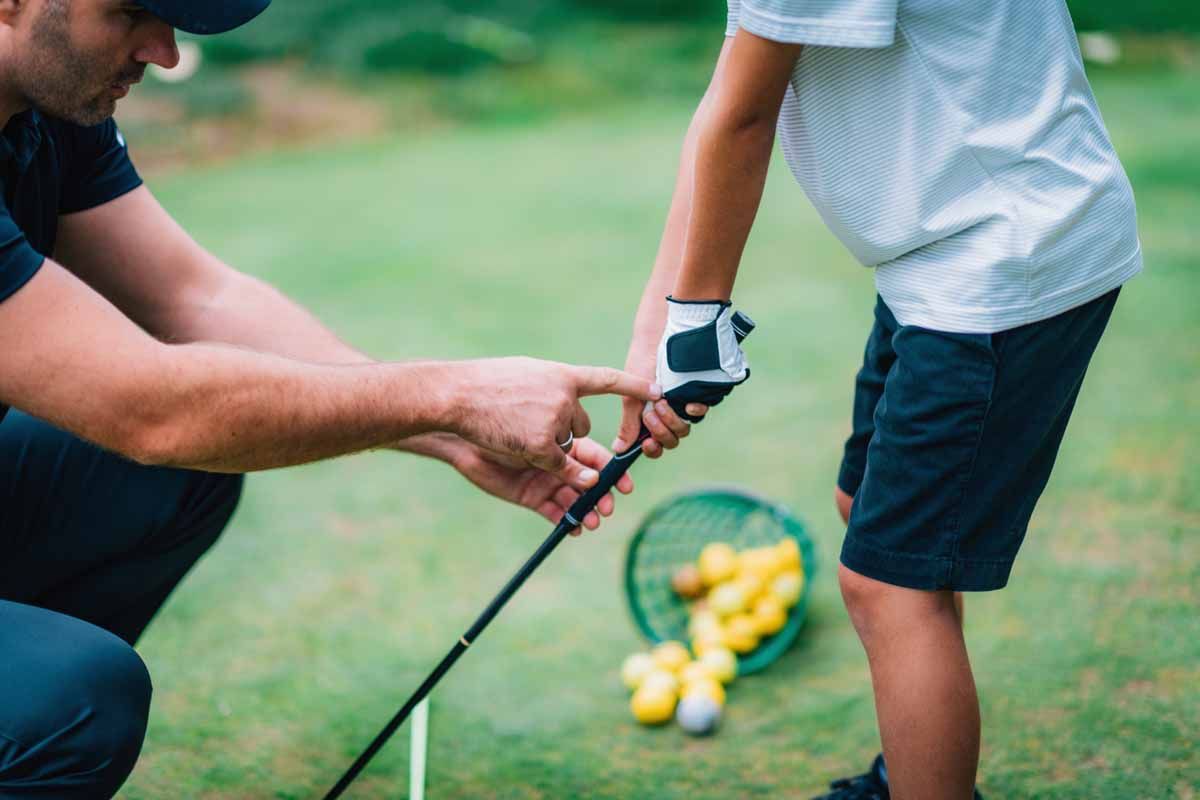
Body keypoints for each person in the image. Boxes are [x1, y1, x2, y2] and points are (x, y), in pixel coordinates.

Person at [0, 1, 662, 796]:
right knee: (76, 700)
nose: (166, 53)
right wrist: (450, 396)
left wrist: (449, 433)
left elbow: (192, 297)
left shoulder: (48, 111)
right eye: (135, 11)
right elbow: (149, 408)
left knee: (173, 477)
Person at [615, 2, 1141, 798]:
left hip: (1001, 254)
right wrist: (658, 330)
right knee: (865, 511)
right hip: (943, 253)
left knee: (890, 583)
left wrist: (697, 326)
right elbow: (731, 91)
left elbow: (747, 117)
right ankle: (913, 776)